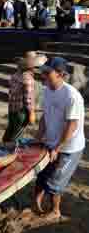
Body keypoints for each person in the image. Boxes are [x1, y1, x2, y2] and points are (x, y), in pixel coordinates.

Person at [34, 57, 85, 220]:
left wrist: (58, 148)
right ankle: (37, 203)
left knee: (55, 182)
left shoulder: (72, 96)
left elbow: (72, 125)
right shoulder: (47, 90)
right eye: (44, 71)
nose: (44, 75)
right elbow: (45, 116)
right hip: (50, 141)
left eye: (48, 73)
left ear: (61, 74)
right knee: (41, 174)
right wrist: (38, 136)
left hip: (69, 147)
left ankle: (55, 211)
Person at [3, 51, 47, 142]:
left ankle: (3, 146)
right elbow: (28, 99)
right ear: (33, 67)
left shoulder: (15, 75)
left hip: (12, 109)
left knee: (9, 131)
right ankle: (11, 152)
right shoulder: (29, 79)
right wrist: (31, 113)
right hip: (22, 112)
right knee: (16, 136)